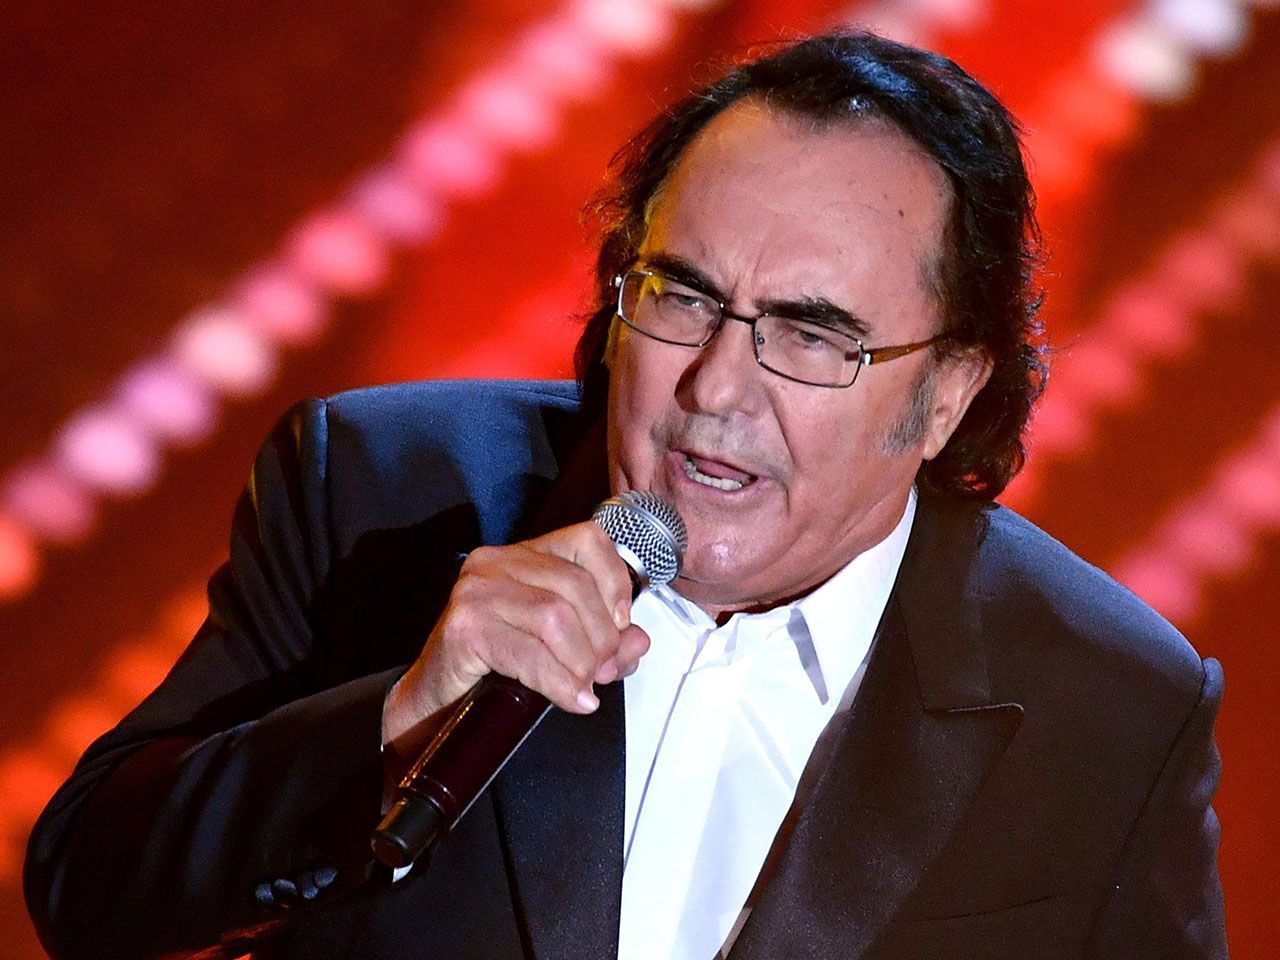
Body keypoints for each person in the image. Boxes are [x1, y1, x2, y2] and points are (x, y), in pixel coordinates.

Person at [26, 31, 1226, 960]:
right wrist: (395, 716)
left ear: (948, 393)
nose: (716, 386)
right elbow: (87, 889)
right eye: (683, 296)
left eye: (811, 335)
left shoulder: (1104, 702)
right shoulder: (383, 494)